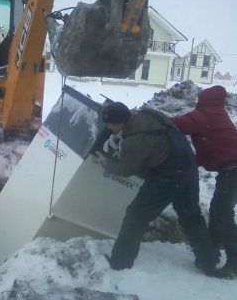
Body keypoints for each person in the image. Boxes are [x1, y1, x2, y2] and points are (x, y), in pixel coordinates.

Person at [95, 102, 220, 276]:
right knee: (190, 215)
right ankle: (208, 261)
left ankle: (120, 262)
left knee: (136, 215)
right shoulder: (148, 113)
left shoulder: (134, 140)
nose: (107, 127)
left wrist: (106, 163)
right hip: (188, 167)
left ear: (119, 122)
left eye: (109, 124)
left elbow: (125, 169)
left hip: (167, 175)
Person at [172, 85, 237, 279]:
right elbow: (208, 150)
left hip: (232, 171)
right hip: (230, 171)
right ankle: (211, 253)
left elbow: (178, 125)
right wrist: (191, 163)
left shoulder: (206, 114)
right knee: (220, 211)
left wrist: (151, 119)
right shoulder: (218, 114)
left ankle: (234, 260)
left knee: (221, 213)